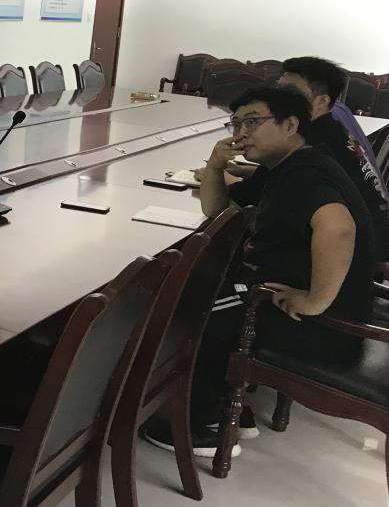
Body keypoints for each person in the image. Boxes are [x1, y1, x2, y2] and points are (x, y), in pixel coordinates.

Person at [143, 87, 375, 458]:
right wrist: (215, 167)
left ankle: (203, 425)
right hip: (303, 303)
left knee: (197, 305)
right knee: (209, 283)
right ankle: (230, 410)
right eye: (235, 124)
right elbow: (216, 209)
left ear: (290, 125)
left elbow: (339, 229)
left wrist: (314, 302)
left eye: (253, 122)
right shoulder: (285, 165)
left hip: (323, 328)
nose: (241, 133)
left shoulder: (305, 175)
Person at [278, 56, 389, 258]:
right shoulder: (334, 128)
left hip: (352, 250)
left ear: (322, 101)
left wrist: (219, 169)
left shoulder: (311, 143)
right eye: (278, 89)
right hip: (377, 228)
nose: (277, 98)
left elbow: (249, 193)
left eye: (290, 92)